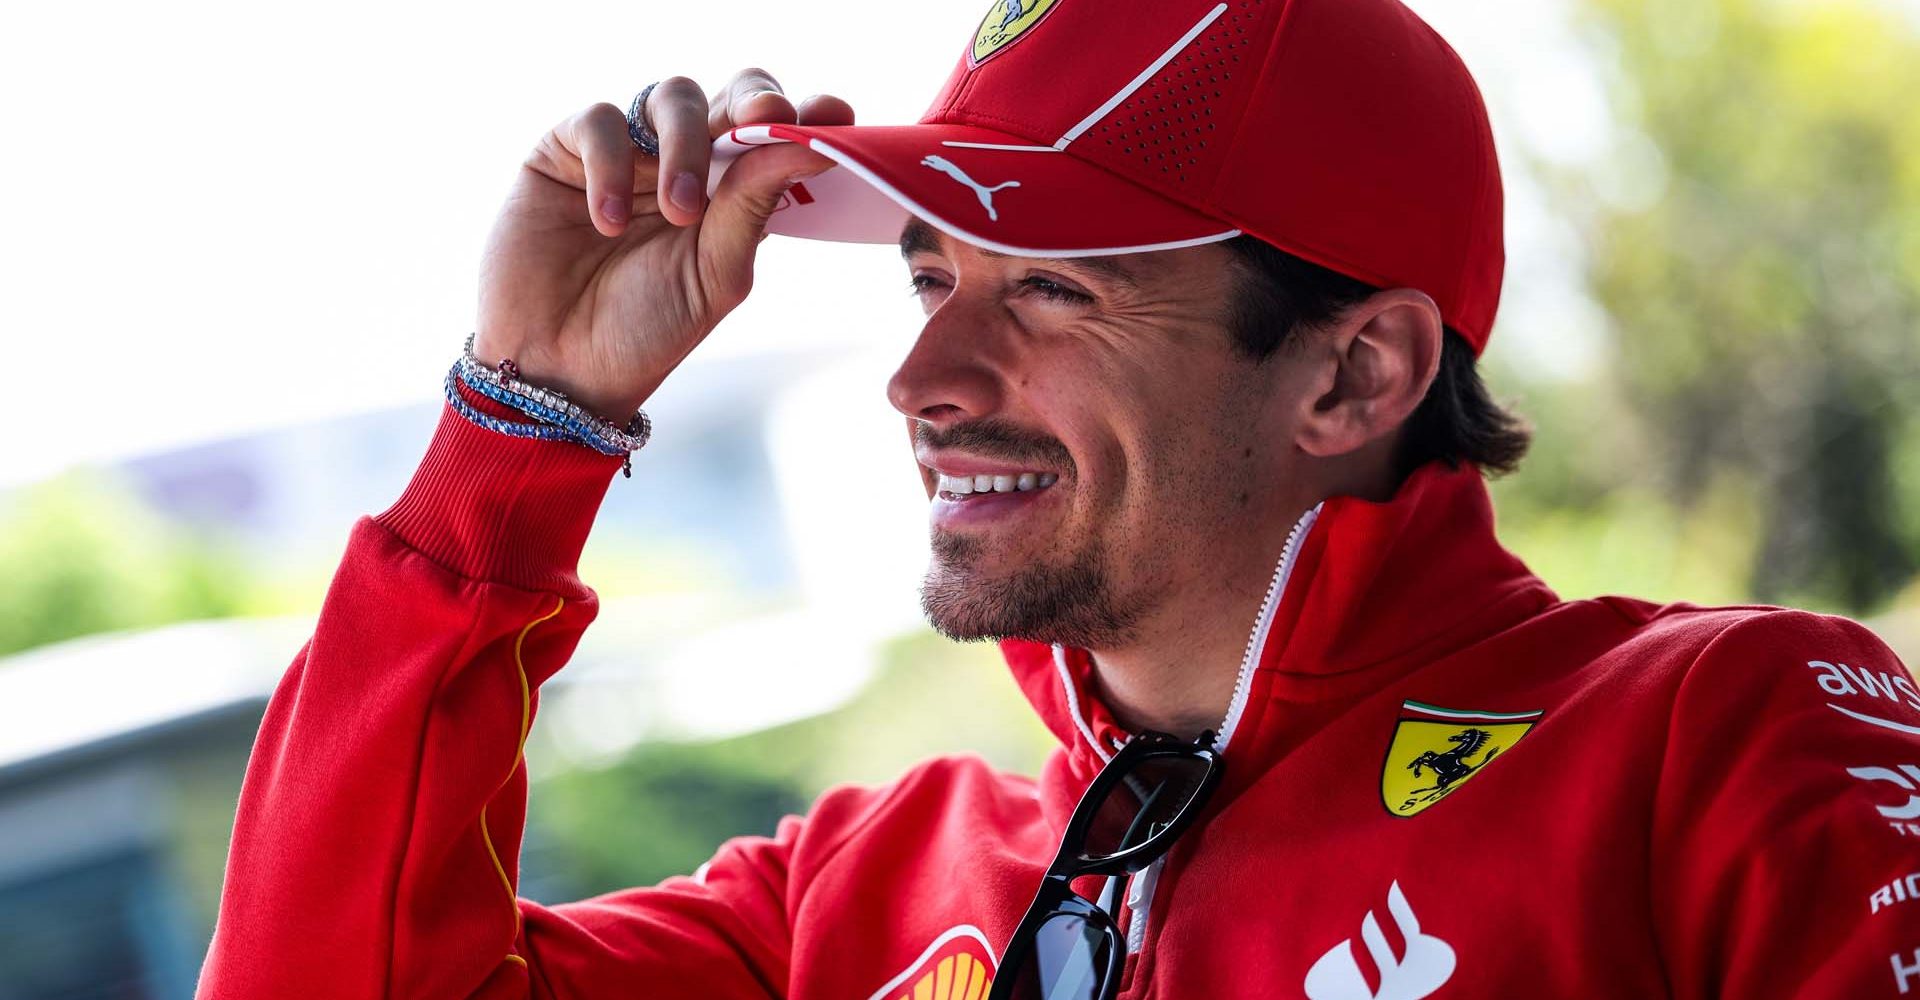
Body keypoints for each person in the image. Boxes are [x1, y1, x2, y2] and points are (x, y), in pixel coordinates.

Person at [198, 0, 1920, 997]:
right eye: (928, 278)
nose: (922, 380)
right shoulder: (847, 898)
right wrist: (533, 419)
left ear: (1355, 376)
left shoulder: (1721, 732)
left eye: (1054, 290)